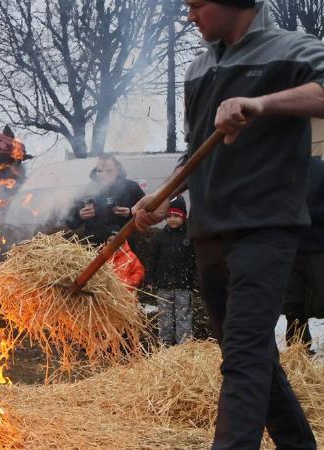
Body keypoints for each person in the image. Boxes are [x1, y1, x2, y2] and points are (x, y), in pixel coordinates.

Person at [132, 1, 324, 447]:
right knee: (250, 354)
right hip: (209, 231)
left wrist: (261, 103)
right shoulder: (199, 68)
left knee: (243, 355)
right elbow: (196, 148)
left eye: (198, 5)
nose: (189, 16)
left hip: (266, 226)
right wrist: (164, 197)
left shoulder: (293, 49)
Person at [284, 157, 324, 351]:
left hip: (318, 247)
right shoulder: (280, 171)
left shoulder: (320, 169)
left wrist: (304, 214)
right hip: (290, 248)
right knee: (292, 302)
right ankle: (298, 347)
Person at [147, 196, 194, 346]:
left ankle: (184, 345)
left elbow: (196, 260)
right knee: (164, 315)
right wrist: (150, 278)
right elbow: (152, 258)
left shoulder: (190, 235)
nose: (172, 219)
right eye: (169, 216)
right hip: (164, 284)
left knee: (183, 315)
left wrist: (195, 279)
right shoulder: (160, 236)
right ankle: (165, 343)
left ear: (183, 216)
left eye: (176, 216)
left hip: (183, 284)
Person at [66, 154, 144, 245]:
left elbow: (148, 213)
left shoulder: (131, 187)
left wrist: (131, 213)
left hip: (125, 247)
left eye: (109, 171)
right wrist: (79, 215)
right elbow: (71, 223)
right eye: (99, 171)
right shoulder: (88, 190)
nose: (103, 175)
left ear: (118, 171)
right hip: (94, 248)